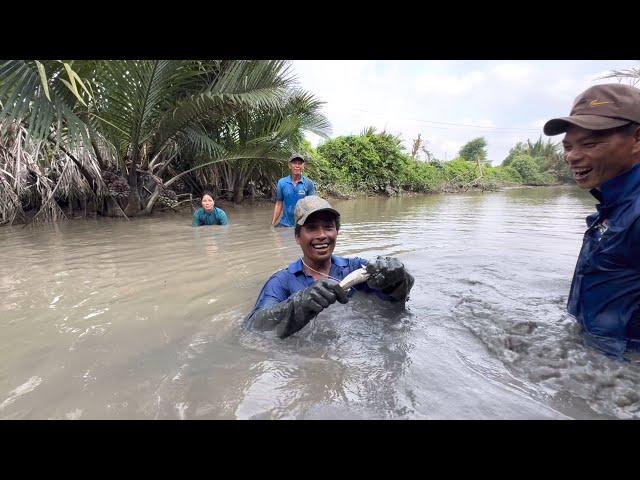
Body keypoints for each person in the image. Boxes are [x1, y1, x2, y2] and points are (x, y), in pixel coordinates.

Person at [543, 83, 640, 355]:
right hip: (595, 360)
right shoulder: (613, 207)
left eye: (590, 143)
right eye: (568, 146)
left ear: (637, 139)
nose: (571, 157)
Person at [246, 195, 414, 338]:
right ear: (297, 237)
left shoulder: (355, 267)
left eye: (328, 227)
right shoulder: (282, 281)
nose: (321, 235)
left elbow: (395, 303)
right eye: (311, 228)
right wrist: (301, 303)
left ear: (337, 232)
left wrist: (399, 277)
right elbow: (254, 327)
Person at [271, 153, 315, 227]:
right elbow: (279, 204)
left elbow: (312, 205)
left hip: (302, 225)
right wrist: (272, 224)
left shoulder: (309, 183)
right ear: (289, 166)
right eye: (294, 163)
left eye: (300, 163)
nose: (297, 166)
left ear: (303, 166)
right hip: (284, 224)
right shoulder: (282, 182)